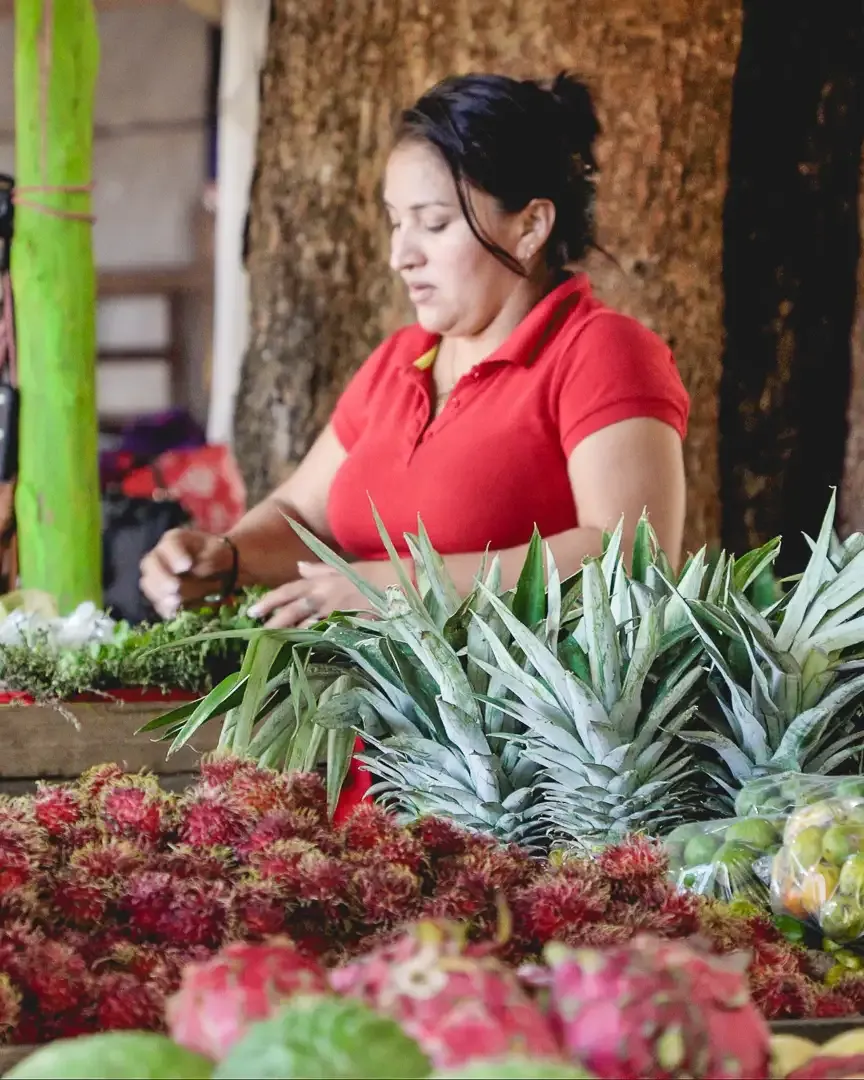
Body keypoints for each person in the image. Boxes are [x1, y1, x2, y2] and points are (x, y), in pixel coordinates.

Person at [140, 71, 689, 629]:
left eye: (433, 223)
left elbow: (631, 557)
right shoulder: (400, 360)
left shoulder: (601, 352)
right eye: (396, 223)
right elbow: (301, 515)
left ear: (530, 226)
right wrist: (225, 558)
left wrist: (405, 584)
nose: (401, 255)